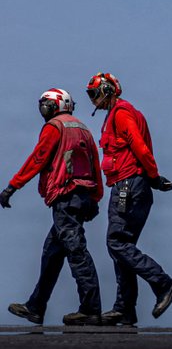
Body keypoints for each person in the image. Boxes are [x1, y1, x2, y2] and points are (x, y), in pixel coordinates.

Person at [1, 89, 103, 326]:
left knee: (76, 252)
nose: (42, 108)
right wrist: (95, 198)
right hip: (82, 196)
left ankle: (90, 309)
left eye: (45, 104)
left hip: (66, 197)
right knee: (52, 254)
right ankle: (36, 307)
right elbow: (94, 164)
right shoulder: (82, 128)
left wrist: (12, 187)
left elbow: (38, 159)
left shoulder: (55, 127)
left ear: (55, 105)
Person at [86, 72, 172, 326]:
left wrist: (154, 176)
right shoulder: (122, 113)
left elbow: (139, 146)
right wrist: (153, 179)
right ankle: (125, 309)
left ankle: (163, 283)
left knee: (116, 242)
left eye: (94, 93)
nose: (92, 99)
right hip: (133, 185)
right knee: (122, 246)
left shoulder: (121, 113)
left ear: (107, 90)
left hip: (127, 185)